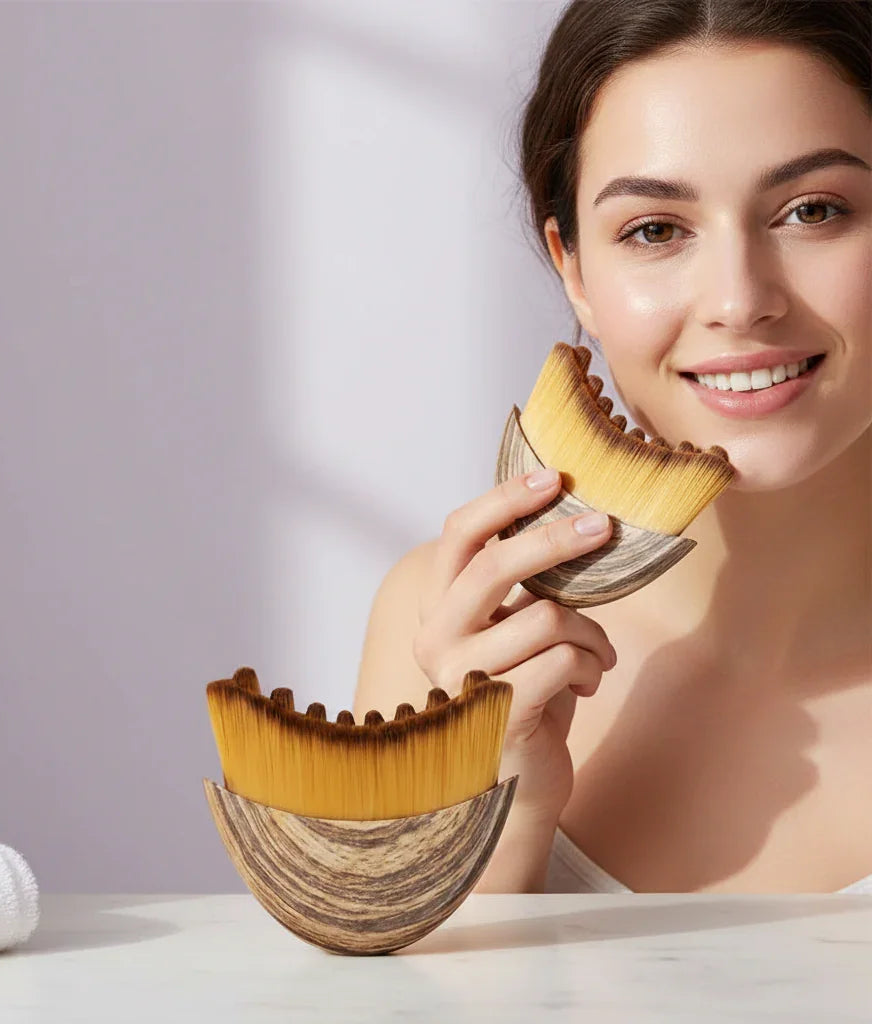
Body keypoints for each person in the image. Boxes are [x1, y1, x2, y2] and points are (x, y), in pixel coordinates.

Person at [352, 0, 871, 894]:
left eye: (812, 211)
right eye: (656, 230)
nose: (739, 301)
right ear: (575, 271)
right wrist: (498, 818)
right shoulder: (445, 625)